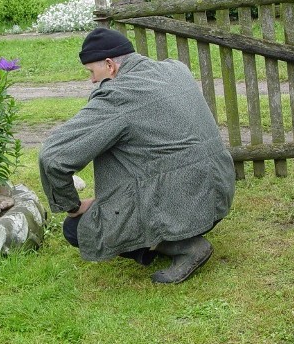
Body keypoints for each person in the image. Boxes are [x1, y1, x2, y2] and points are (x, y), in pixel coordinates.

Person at [38, 27, 235, 284]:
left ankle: (186, 247)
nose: (91, 80)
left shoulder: (119, 96)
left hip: (184, 202)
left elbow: (53, 157)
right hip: (216, 198)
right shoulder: (176, 69)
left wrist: (73, 206)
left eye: (91, 72)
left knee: (76, 229)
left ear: (109, 66)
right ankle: (175, 234)